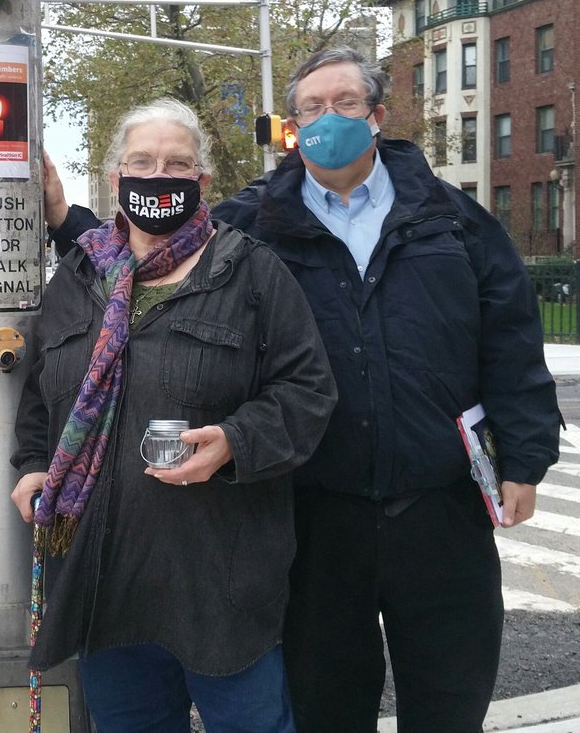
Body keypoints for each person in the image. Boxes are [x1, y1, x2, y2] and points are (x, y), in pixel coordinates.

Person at [44, 49, 561, 731]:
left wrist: (524, 457)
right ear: (291, 126)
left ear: (377, 117)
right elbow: (152, 252)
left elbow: (512, 340)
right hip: (316, 511)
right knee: (328, 706)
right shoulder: (254, 224)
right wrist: (65, 221)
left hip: (440, 506)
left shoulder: (453, 220)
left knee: (450, 700)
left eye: (344, 104)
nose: (327, 119)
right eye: (310, 108)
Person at [12, 99, 337, 731]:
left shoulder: (251, 272)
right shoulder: (78, 276)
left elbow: (307, 390)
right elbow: (38, 398)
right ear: (115, 178)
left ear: (201, 182)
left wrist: (237, 441)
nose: (158, 174)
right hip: (107, 586)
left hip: (222, 583)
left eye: (177, 163)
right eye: (142, 161)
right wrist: (31, 466)